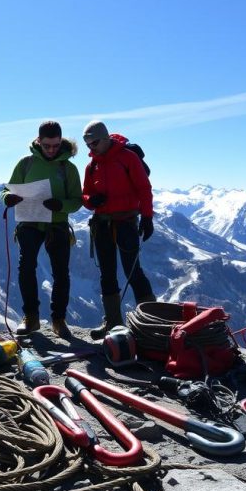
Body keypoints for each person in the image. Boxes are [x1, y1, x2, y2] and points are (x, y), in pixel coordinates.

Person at [1, 121, 82, 338]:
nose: (52, 150)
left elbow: (77, 201)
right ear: (38, 141)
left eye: (56, 145)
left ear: (60, 141)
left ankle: (59, 319)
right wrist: (8, 198)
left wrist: (61, 205)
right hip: (30, 223)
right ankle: (31, 318)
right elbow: (7, 191)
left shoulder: (68, 168)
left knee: (61, 272)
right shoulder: (25, 164)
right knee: (26, 268)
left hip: (57, 224)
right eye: (47, 146)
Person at [81, 120, 156, 339]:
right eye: (87, 144)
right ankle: (113, 322)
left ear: (105, 139)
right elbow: (85, 195)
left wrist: (148, 217)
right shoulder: (92, 165)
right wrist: (91, 200)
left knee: (133, 271)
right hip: (102, 222)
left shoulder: (128, 158)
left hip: (126, 222)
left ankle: (151, 323)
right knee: (107, 273)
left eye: (94, 143)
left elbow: (144, 188)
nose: (90, 148)